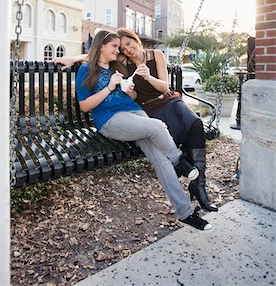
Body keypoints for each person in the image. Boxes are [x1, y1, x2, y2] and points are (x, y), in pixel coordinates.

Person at [73, 30, 213, 232]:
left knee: (160, 160)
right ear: (102, 46)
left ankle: (185, 213)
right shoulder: (86, 70)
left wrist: (130, 91)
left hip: (136, 113)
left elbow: (134, 94)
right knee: (157, 126)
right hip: (111, 120)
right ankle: (179, 161)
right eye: (114, 46)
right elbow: (85, 106)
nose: (118, 50)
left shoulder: (115, 67)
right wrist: (109, 88)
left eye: (118, 47)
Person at [116, 28, 218, 213]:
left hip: (169, 100)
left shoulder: (156, 55)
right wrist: (128, 91)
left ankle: (199, 184)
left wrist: (148, 76)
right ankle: (193, 180)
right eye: (124, 49)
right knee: (174, 133)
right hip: (149, 110)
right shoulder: (124, 63)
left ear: (135, 39)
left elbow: (164, 87)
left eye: (129, 44)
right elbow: (102, 52)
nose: (128, 50)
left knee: (194, 123)